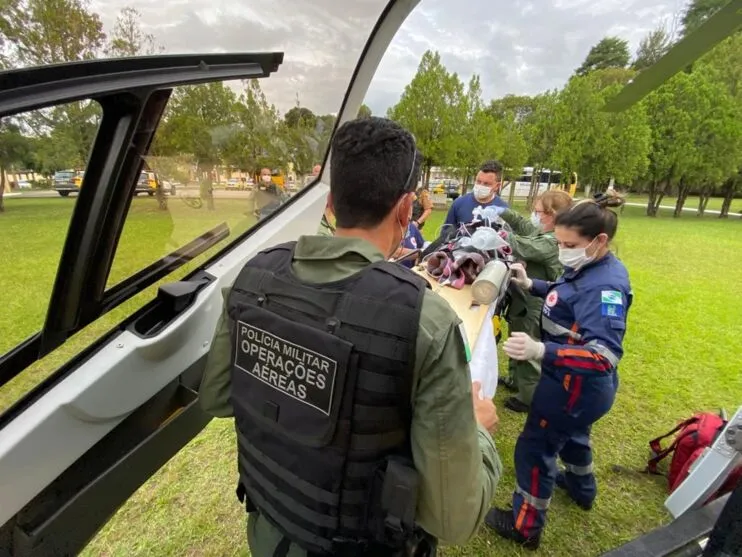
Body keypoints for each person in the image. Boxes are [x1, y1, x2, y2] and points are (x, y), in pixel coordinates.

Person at [199, 116, 502, 557]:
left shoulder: (251, 278)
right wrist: (477, 433)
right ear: (404, 210)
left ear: (330, 203)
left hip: (269, 534)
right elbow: (454, 517)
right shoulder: (425, 321)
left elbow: (217, 400)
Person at [485, 192, 632, 550]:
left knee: (535, 448)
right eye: (560, 243)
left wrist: (541, 349)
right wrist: (530, 284)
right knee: (576, 436)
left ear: (600, 241)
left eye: (570, 244)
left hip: (573, 387)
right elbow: (566, 294)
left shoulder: (606, 286)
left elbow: (603, 356)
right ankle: (583, 490)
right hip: (580, 391)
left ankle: (525, 525)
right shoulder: (589, 266)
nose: (563, 250)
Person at [496, 190, 574, 413]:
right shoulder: (544, 231)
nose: (535, 216)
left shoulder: (552, 241)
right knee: (516, 335)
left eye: (539, 212)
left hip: (536, 300)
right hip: (524, 296)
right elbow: (523, 226)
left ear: (554, 215)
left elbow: (523, 246)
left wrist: (499, 234)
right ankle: (515, 380)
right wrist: (503, 212)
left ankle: (527, 397)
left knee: (527, 344)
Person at [443, 160, 509, 228]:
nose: (481, 186)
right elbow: (445, 235)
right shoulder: (458, 204)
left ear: (497, 186)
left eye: (486, 184)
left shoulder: (503, 209)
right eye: (478, 181)